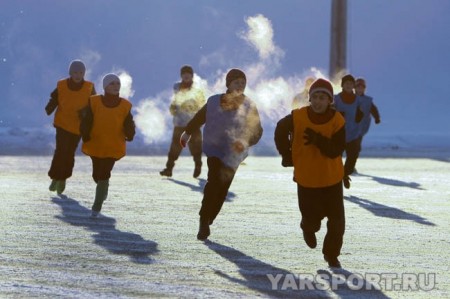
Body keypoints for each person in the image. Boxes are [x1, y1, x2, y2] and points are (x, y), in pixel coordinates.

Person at [181, 69, 263, 240]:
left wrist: (247, 141)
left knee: (223, 189)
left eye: (242, 82)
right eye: (236, 82)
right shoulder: (213, 102)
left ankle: (210, 218)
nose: (240, 85)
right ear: (228, 84)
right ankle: (204, 220)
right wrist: (187, 132)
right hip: (215, 150)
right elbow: (199, 118)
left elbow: (257, 130)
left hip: (234, 154)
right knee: (213, 183)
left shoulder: (249, 105)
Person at [274, 78, 346, 268]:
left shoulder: (337, 120)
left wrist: (319, 140)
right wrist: (286, 154)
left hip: (332, 178)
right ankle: (308, 227)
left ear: (329, 100)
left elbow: (336, 150)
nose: (318, 101)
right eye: (314, 97)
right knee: (312, 219)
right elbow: (280, 130)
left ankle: (331, 255)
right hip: (307, 179)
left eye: (322, 97)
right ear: (309, 98)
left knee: (337, 221)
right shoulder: (298, 117)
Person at [80, 73, 135, 217]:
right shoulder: (94, 102)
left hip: (113, 144)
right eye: (112, 83)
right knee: (96, 175)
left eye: (118, 83)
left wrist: (130, 133)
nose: (116, 86)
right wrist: (85, 133)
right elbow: (87, 120)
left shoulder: (125, 105)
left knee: (104, 173)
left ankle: (96, 206)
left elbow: (129, 122)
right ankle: (103, 188)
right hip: (96, 143)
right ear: (105, 87)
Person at [45, 60, 96, 195]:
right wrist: (50, 107)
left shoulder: (89, 87)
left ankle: (63, 178)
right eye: (75, 72)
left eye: (80, 72)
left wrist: (86, 113)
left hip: (78, 127)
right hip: (62, 124)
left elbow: (94, 105)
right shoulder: (62, 85)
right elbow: (55, 98)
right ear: (70, 73)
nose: (78, 75)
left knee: (69, 153)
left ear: (84, 73)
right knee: (61, 151)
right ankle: (55, 177)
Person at [160, 65, 206, 178]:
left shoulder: (197, 90)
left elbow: (202, 105)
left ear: (192, 75)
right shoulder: (177, 88)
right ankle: (169, 169)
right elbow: (174, 103)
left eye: (188, 73)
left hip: (193, 123)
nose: (186, 75)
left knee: (196, 147)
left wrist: (194, 110)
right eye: (184, 73)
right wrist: (173, 109)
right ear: (181, 75)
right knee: (174, 147)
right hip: (179, 123)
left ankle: (198, 166)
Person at [333, 74, 363, 189]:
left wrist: (360, 115)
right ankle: (337, 178)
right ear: (342, 85)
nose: (349, 85)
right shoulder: (337, 98)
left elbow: (360, 111)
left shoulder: (357, 99)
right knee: (336, 158)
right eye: (346, 83)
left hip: (352, 133)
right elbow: (331, 111)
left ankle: (345, 174)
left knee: (353, 156)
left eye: (351, 83)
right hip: (339, 133)